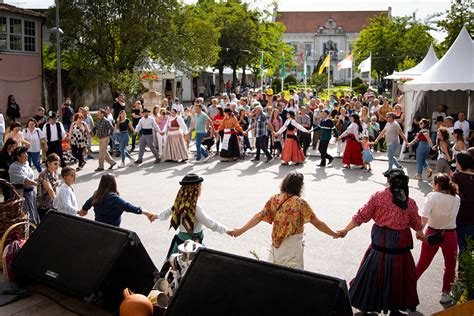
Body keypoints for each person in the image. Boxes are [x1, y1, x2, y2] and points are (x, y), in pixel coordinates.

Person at [338, 169, 424, 314]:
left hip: (382, 242)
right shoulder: (410, 202)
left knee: (375, 273)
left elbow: (361, 216)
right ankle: (395, 307)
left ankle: (369, 304)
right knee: (399, 275)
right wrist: (422, 235)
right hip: (400, 245)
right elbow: (417, 224)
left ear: (389, 182)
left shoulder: (379, 197)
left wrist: (345, 230)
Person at [228, 171, 340, 269]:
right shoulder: (300, 203)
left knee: (274, 272)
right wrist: (334, 233)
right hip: (293, 245)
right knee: (292, 275)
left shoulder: (275, 198)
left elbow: (258, 216)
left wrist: (240, 231)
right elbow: (317, 223)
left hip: (276, 244)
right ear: (299, 186)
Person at [151, 174, 228, 261]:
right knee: (192, 267)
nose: (201, 189)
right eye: (200, 187)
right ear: (195, 190)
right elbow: (210, 223)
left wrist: (156, 216)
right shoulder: (195, 208)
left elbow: (167, 212)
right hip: (192, 246)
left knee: (176, 266)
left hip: (180, 241)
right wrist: (226, 230)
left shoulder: (180, 202)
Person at [415, 173, 460, 305]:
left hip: (432, 232)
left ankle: (408, 286)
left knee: (422, 263)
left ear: (437, 185)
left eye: (433, 183)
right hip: (450, 234)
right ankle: (445, 294)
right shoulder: (456, 198)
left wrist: (420, 231)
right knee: (450, 266)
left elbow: (425, 216)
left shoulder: (432, 196)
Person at [79, 174, 155, 227]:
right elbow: (128, 207)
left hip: (99, 228)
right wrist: (146, 213)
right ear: (113, 183)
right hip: (113, 231)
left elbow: (85, 207)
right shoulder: (113, 198)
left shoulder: (97, 195)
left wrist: (82, 211)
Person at [9, 146, 40, 224]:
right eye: (24, 153)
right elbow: (24, 179)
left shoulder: (26, 163)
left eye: (26, 153)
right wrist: (36, 183)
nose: (26, 155)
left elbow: (30, 177)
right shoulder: (14, 167)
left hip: (31, 193)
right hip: (22, 194)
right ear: (18, 156)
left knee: (34, 213)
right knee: (26, 215)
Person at [452, 152, 474, 253]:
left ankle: (464, 268)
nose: (455, 164)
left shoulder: (456, 176)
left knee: (463, 248)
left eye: (456, 161)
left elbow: (456, 196)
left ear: (461, 163)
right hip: (469, 218)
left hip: (461, 216)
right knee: (467, 248)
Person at [36, 153, 60, 220]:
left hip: (51, 204)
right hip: (44, 205)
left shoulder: (54, 172)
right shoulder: (44, 174)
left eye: (58, 164)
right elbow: (50, 190)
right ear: (49, 164)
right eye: (55, 164)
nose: (57, 166)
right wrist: (57, 203)